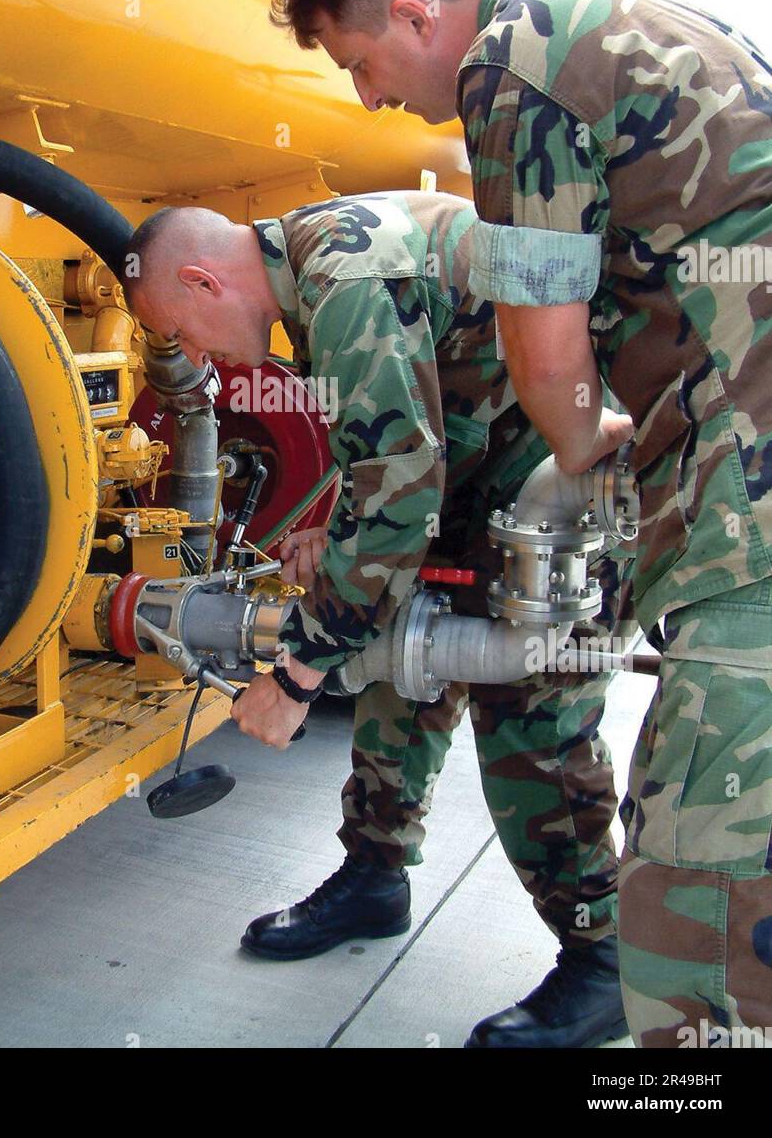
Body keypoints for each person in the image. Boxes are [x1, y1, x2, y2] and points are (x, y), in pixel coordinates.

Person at [269, 0, 772, 1047]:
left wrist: (590, 451)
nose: (371, 97)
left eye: (361, 61)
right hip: (735, 434)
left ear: (413, 12)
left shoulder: (516, 70)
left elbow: (543, 354)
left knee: (699, 894)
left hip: (750, 471)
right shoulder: (609, 15)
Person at [125, 191, 636, 1047]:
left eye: (181, 334)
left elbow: (400, 500)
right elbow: (392, 463)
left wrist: (294, 676)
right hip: (482, 469)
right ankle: (374, 875)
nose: (195, 359)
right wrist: (338, 530)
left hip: (556, 476)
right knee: (399, 663)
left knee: (529, 712)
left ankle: (605, 958)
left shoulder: (344, 278)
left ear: (202, 281)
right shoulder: (312, 272)